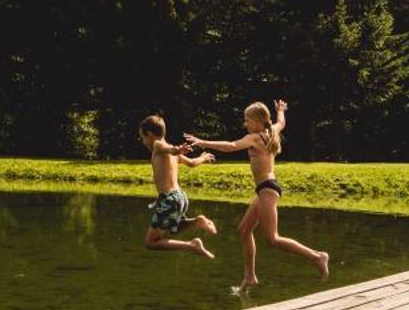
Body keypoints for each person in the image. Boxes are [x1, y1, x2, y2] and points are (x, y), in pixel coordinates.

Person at [184, 99, 330, 292]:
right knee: (244, 230)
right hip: (265, 189)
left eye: (247, 120)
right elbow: (282, 122)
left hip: (268, 189)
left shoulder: (255, 137)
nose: (245, 124)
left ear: (257, 121)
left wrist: (203, 142)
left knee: (273, 238)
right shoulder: (272, 131)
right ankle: (250, 277)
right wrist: (280, 110)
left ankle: (317, 256)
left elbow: (231, 145)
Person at [138, 114, 218, 258]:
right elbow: (192, 163)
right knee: (174, 228)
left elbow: (166, 148)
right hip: (180, 197)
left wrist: (177, 150)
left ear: (149, 134)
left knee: (150, 242)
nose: (143, 142)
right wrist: (202, 158)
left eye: (143, 138)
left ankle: (192, 245)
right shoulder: (171, 152)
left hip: (170, 199)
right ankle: (197, 221)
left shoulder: (158, 145)